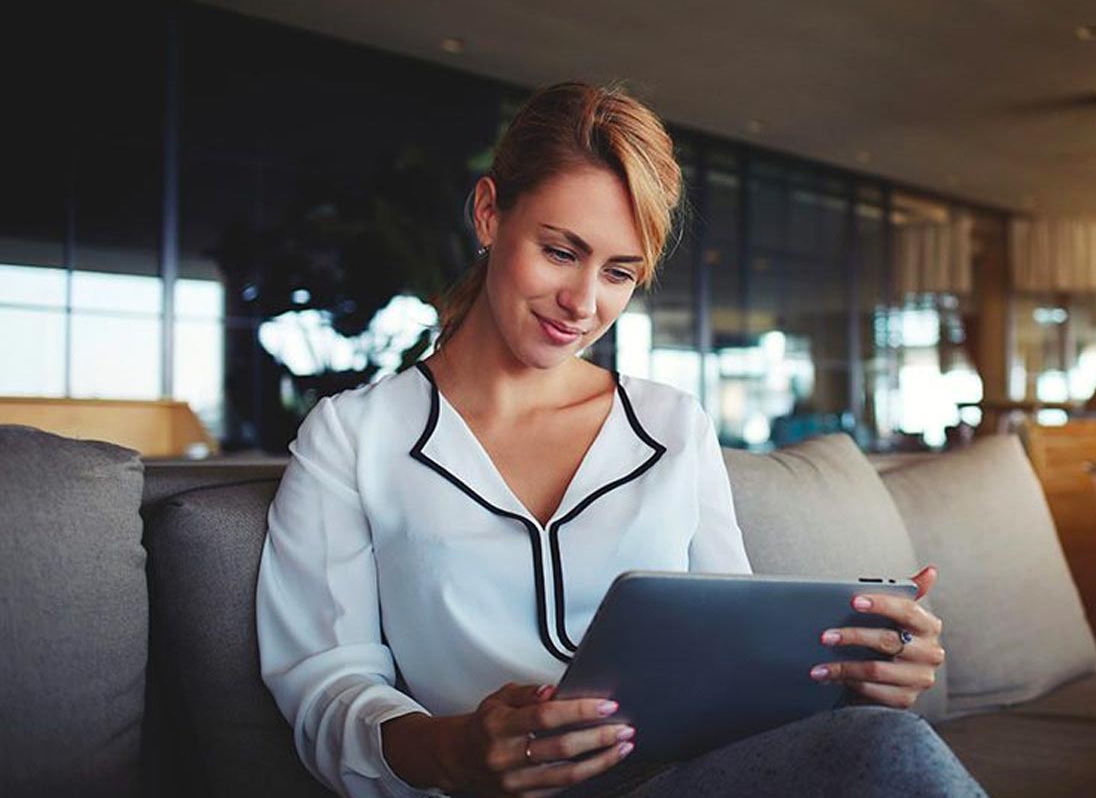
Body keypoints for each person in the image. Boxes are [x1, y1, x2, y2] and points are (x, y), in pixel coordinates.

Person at [256, 82, 983, 798]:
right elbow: (325, 684)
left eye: (619, 272)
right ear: (488, 214)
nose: (583, 304)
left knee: (887, 744)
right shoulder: (353, 435)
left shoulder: (672, 425)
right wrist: (455, 751)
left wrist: (854, 680)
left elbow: (732, 656)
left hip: (679, 780)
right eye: (560, 251)